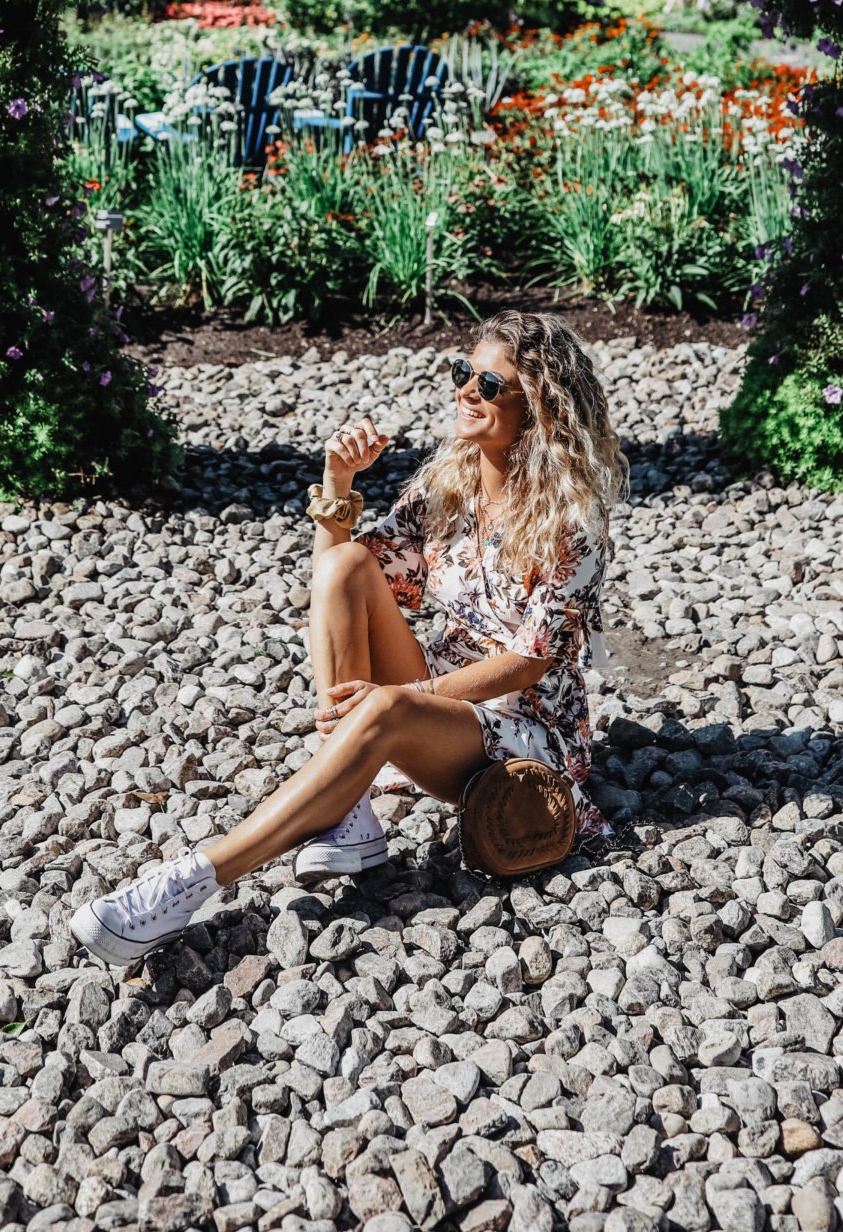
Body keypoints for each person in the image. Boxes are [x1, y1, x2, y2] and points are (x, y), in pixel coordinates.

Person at [72, 311, 623, 964]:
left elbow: (529, 663)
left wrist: (412, 695)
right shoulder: (451, 486)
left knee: (385, 707)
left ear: (539, 407)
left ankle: (192, 882)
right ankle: (350, 808)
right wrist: (338, 483)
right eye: (462, 373)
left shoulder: (572, 525)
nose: (466, 392)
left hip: (525, 732)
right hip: (440, 697)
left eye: (489, 384)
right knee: (345, 564)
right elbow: (343, 582)